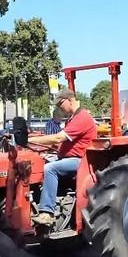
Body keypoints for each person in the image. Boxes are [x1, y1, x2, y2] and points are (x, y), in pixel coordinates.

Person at [28, 89, 97, 226]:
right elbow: (60, 141)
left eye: (60, 104)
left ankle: (46, 213)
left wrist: (30, 140)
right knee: (39, 163)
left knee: (50, 168)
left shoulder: (82, 118)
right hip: (68, 158)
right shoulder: (72, 119)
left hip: (80, 161)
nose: (59, 108)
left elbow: (59, 137)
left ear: (69, 100)